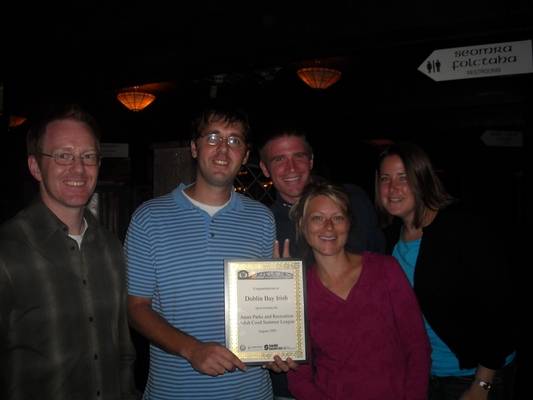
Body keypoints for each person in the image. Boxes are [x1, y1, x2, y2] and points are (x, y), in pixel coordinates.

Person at [125, 105, 276, 399]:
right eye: (213, 138)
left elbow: (265, 310)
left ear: (245, 156)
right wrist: (192, 349)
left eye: (234, 141)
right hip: (175, 391)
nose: (223, 149)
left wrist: (277, 345)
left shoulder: (261, 219)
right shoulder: (149, 218)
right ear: (194, 148)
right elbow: (136, 308)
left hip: (249, 391)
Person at [0, 104, 138, 399]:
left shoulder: (112, 247)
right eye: (63, 156)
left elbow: (123, 350)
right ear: (35, 167)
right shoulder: (7, 250)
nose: (78, 168)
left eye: (88, 157)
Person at [375, 142, 518, 399]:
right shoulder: (389, 238)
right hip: (426, 375)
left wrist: (482, 384)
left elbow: (500, 307)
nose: (393, 187)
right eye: (385, 178)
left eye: (403, 177)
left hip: (475, 374)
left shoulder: (462, 228)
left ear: (423, 180)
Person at [270, 181, 430, 399]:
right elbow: (299, 378)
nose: (328, 227)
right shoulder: (297, 291)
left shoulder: (385, 269)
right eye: (317, 218)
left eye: (337, 218)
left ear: (348, 223)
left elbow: (418, 347)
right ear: (302, 224)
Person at [258, 127, 386, 398]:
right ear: (264, 168)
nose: (291, 167)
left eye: (299, 156)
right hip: (292, 379)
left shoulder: (353, 202)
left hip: (364, 375)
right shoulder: (260, 225)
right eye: (279, 159)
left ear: (312, 160)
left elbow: (382, 283)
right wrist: (265, 347)